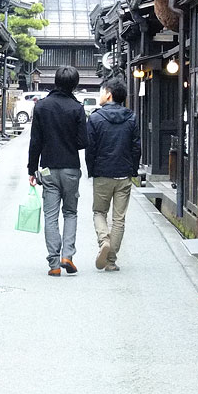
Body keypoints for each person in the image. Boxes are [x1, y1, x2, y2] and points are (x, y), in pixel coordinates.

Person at [27, 65, 88, 276]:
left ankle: (54, 264)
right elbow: (83, 141)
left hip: (48, 168)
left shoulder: (42, 107)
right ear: (75, 84)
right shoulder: (77, 108)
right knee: (70, 212)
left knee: (50, 216)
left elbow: (35, 141)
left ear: (55, 81)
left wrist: (31, 169)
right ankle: (67, 256)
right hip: (71, 167)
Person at [85, 76, 141, 271]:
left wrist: (91, 170)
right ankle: (111, 261)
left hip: (102, 172)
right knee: (119, 219)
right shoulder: (131, 117)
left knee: (99, 212)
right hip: (123, 173)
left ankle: (104, 241)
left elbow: (90, 148)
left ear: (108, 95)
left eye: (102, 91)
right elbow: (136, 147)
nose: (100, 95)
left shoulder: (95, 118)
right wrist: (133, 170)